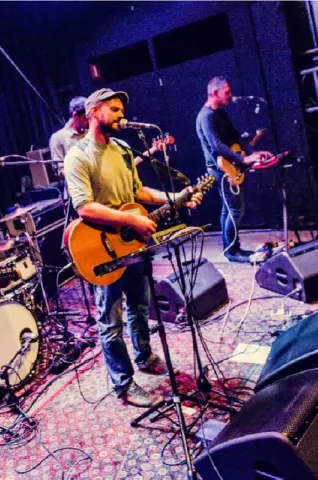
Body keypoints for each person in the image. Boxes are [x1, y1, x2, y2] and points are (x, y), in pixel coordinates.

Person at [65, 88, 203, 407]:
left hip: (132, 244)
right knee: (110, 321)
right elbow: (84, 207)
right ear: (94, 112)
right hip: (102, 247)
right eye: (114, 109)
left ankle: (144, 356)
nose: (121, 115)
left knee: (140, 305)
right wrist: (131, 220)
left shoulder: (124, 149)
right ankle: (123, 383)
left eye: (121, 109)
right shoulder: (78, 155)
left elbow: (138, 191)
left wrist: (175, 198)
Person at [196, 76, 276, 263]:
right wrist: (244, 159)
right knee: (236, 208)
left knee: (229, 209)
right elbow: (216, 146)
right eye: (227, 92)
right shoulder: (206, 116)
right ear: (216, 92)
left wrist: (253, 152)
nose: (230, 95)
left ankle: (230, 248)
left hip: (229, 165)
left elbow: (235, 138)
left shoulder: (220, 113)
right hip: (220, 170)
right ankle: (232, 250)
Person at [49, 96, 89, 162]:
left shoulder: (90, 133)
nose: (88, 120)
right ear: (75, 115)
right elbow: (60, 166)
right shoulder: (58, 138)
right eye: (85, 117)